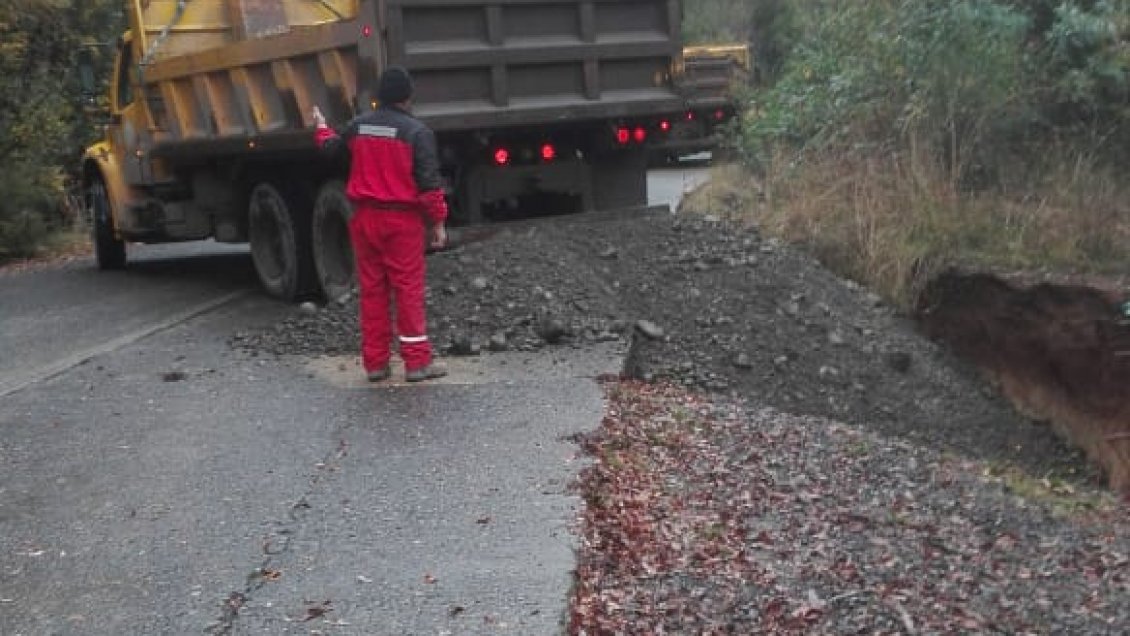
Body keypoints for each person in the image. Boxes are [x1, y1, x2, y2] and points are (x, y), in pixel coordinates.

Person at [313, 66, 448, 383]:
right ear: (408, 97)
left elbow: (330, 149)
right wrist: (438, 223)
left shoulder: (359, 127)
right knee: (407, 291)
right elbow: (429, 185)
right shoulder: (417, 133)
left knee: (372, 291)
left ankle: (375, 364)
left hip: (364, 218)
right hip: (401, 222)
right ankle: (416, 364)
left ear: (380, 96)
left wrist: (320, 127)